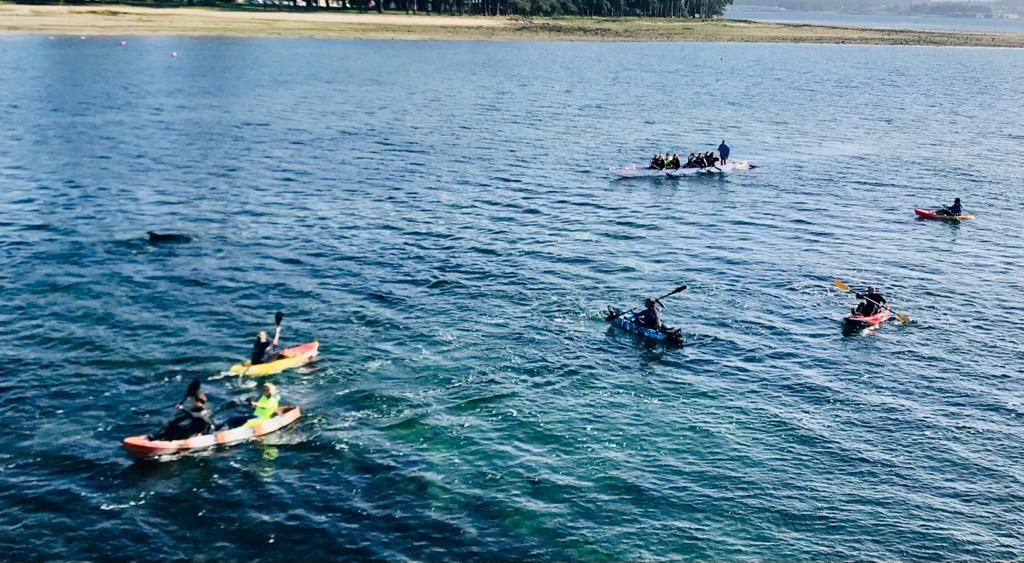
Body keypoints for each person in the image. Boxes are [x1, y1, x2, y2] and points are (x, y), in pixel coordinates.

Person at [149, 392, 215, 441]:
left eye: (192, 399)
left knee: (174, 431)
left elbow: (195, 415)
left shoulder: (204, 410)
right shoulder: (194, 409)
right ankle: (159, 436)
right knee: (171, 426)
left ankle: (161, 439)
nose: (191, 400)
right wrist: (172, 422)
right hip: (190, 429)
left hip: (194, 433)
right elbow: (186, 416)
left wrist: (183, 409)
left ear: (196, 401)